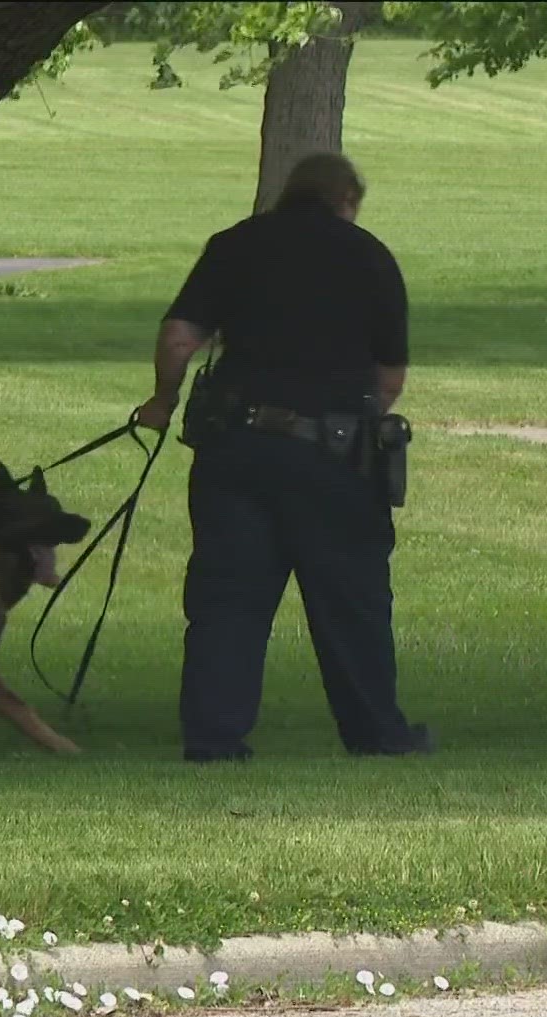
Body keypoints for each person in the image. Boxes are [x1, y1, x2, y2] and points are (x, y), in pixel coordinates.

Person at [132, 151, 433, 763]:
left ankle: (214, 740)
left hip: (236, 450)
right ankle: (376, 735)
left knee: (228, 600)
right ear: (346, 199)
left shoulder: (235, 245)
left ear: (289, 195)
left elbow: (178, 337)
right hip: (335, 457)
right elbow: (390, 376)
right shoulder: (369, 256)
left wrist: (163, 402)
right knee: (351, 602)